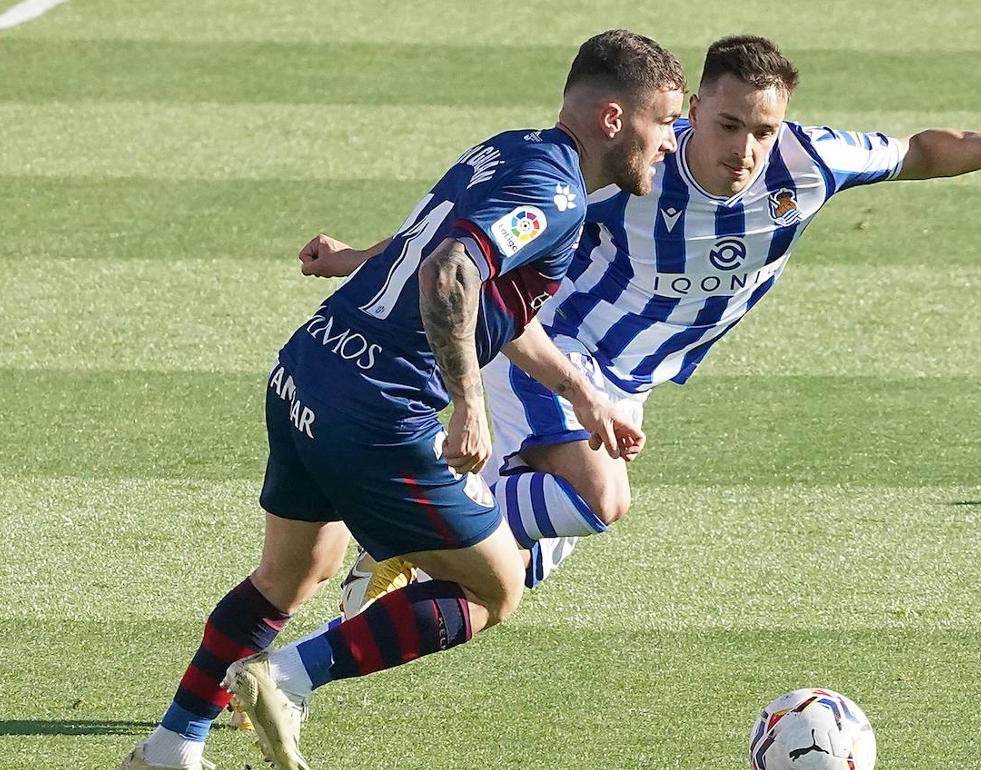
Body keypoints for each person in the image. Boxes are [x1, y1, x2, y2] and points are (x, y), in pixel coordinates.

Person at [118, 29, 685, 770]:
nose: (672, 142)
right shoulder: (556, 194)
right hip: (374, 409)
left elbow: (462, 276)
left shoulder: (512, 148)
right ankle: (285, 678)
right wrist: (470, 403)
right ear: (615, 118)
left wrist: (581, 393)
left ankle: (172, 745)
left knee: (292, 575)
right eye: (666, 122)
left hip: (307, 368)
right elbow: (450, 273)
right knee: (494, 587)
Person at [320, 35, 981, 599]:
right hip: (556, 349)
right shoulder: (632, 170)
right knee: (599, 498)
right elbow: (477, 231)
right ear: (696, 108)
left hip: (628, 382)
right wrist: (362, 255)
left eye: (764, 131)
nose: (745, 149)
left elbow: (920, 150)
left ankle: (312, 654)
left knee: (503, 580)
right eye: (729, 124)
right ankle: (404, 528)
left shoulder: (812, 164)